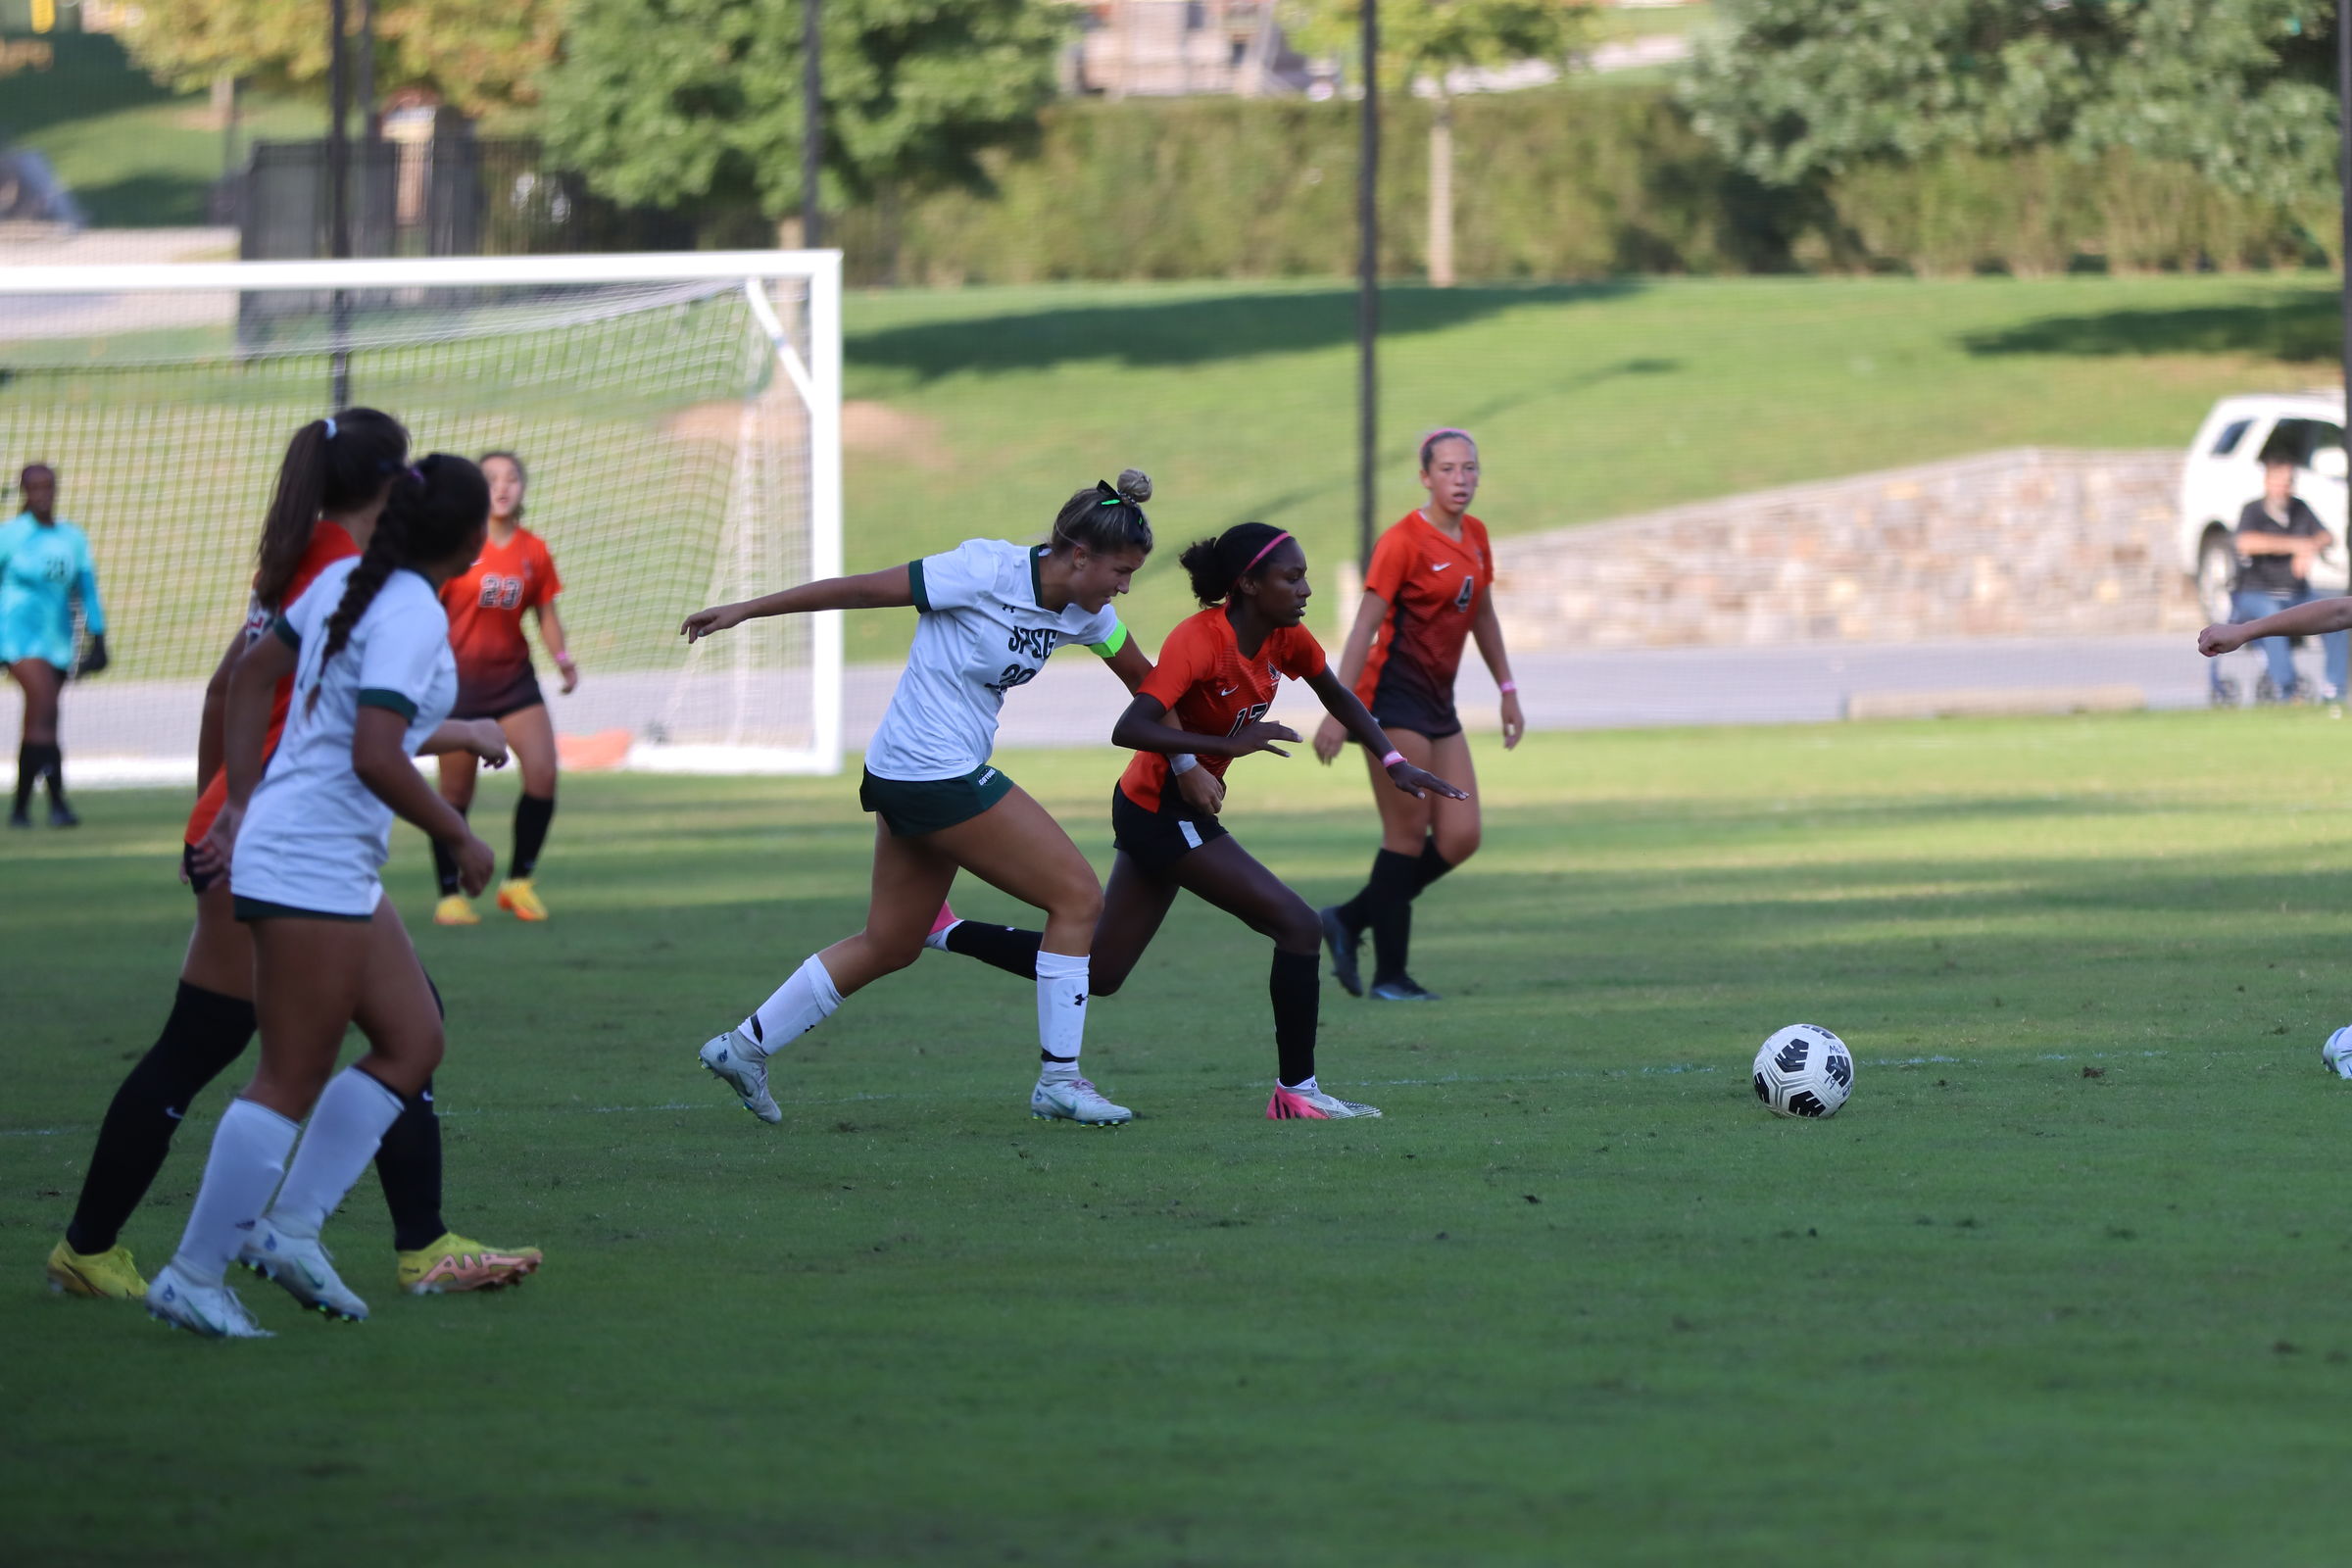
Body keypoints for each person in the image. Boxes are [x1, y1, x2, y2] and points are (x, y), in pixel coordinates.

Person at [44, 414, 540, 1305]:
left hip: (270, 827)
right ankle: (143, 1255)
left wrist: (217, 808)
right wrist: (228, 812)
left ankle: (389, 1238)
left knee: (406, 1025)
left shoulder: (315, 560)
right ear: (395, 488)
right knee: (243, 1051)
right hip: (288, 838)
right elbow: (354, 735)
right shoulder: (344, 572)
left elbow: (248, 689)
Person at [681, 469, 1214, 1129]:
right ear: (1079, 554)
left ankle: (743, 1047)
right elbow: (861, 589)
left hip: (915, 773)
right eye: (1120, 571)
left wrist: (1188, 760)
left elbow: (1145, 682)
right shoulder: (982, 569)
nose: (1125, 587)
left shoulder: (1090, 613)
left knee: (893, 941)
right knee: (1078, 898)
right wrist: (746, 609)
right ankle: (1059, 1081)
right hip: (930, 770)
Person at [146, 456, 509, 1339]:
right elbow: (374, 755)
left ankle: (291, 1230)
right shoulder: (414, 612)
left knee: (414, 1038)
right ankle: (193, 1275)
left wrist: (237, 801)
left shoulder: (354, 578)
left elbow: (253, 677)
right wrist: (457, 835)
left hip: (312, 855)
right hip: (307, 862)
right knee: (289, 1076)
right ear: (470, 542)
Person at [937, 522, 1464, 1119]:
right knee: (1297, 925)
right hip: (1160, 811)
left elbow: (1336, 693)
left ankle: (945, 930)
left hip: (1163, 810)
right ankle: (1297, 1092)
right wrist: (1228, 746)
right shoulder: (1199, 640)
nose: (1305, 588)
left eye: (1304, 576)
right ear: (1247, 585)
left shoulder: (1285, 637)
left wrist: (1393, 761)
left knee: (1102, 970)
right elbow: (1130, 727)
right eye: (1292, 577)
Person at [1312, 428, 1523, 1001]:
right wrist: (1339, 710)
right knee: (1405, 836)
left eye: (1470, 469)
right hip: (1391, 703)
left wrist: (1506, 687)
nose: (1461, 479)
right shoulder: (1402, 541)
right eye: (1449, 469)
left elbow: (1481, 614)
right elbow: (1362, 628)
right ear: (1425, 477)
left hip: (1439, 704)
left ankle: (1350, 918)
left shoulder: (1476, 536)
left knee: (1460, 835)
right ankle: (1390, 977)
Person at [430, 452, 577, 925]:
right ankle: (450, 896)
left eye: (512, 477)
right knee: (455, 793)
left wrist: (562, 659)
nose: (502, 486)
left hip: (514, 681)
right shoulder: (455, 547)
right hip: (458, 685)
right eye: (491, 478)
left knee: (543, 774)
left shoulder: (534, 550)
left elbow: (546, 614)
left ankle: (518, 883)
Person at [2, 463, 108, 828]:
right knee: (43, 707)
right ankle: (59, 804)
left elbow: (86, 588)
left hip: (57, 640)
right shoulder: (11, 536)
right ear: (24, 492)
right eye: (34, 487)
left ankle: (20, 811)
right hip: (16, 637)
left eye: (48, 487)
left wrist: (99, 636)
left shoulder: (71, 538)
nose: (42, 494)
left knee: (42, 719)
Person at [2219, 455, 2347, 705]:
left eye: (2288, 482)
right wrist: (2298, 545)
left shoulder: (2299, 508)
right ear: (2267, 482)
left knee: (2338, 614)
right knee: (2271, 617)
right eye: (2278, 481)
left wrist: (2309, 548)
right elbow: (2246, 543)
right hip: (2256, 593)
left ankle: (2335, 689)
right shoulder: (2253, 511)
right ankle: (2288, 691)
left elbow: (2326, 537)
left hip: (2296, 593)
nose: (2283, 487)